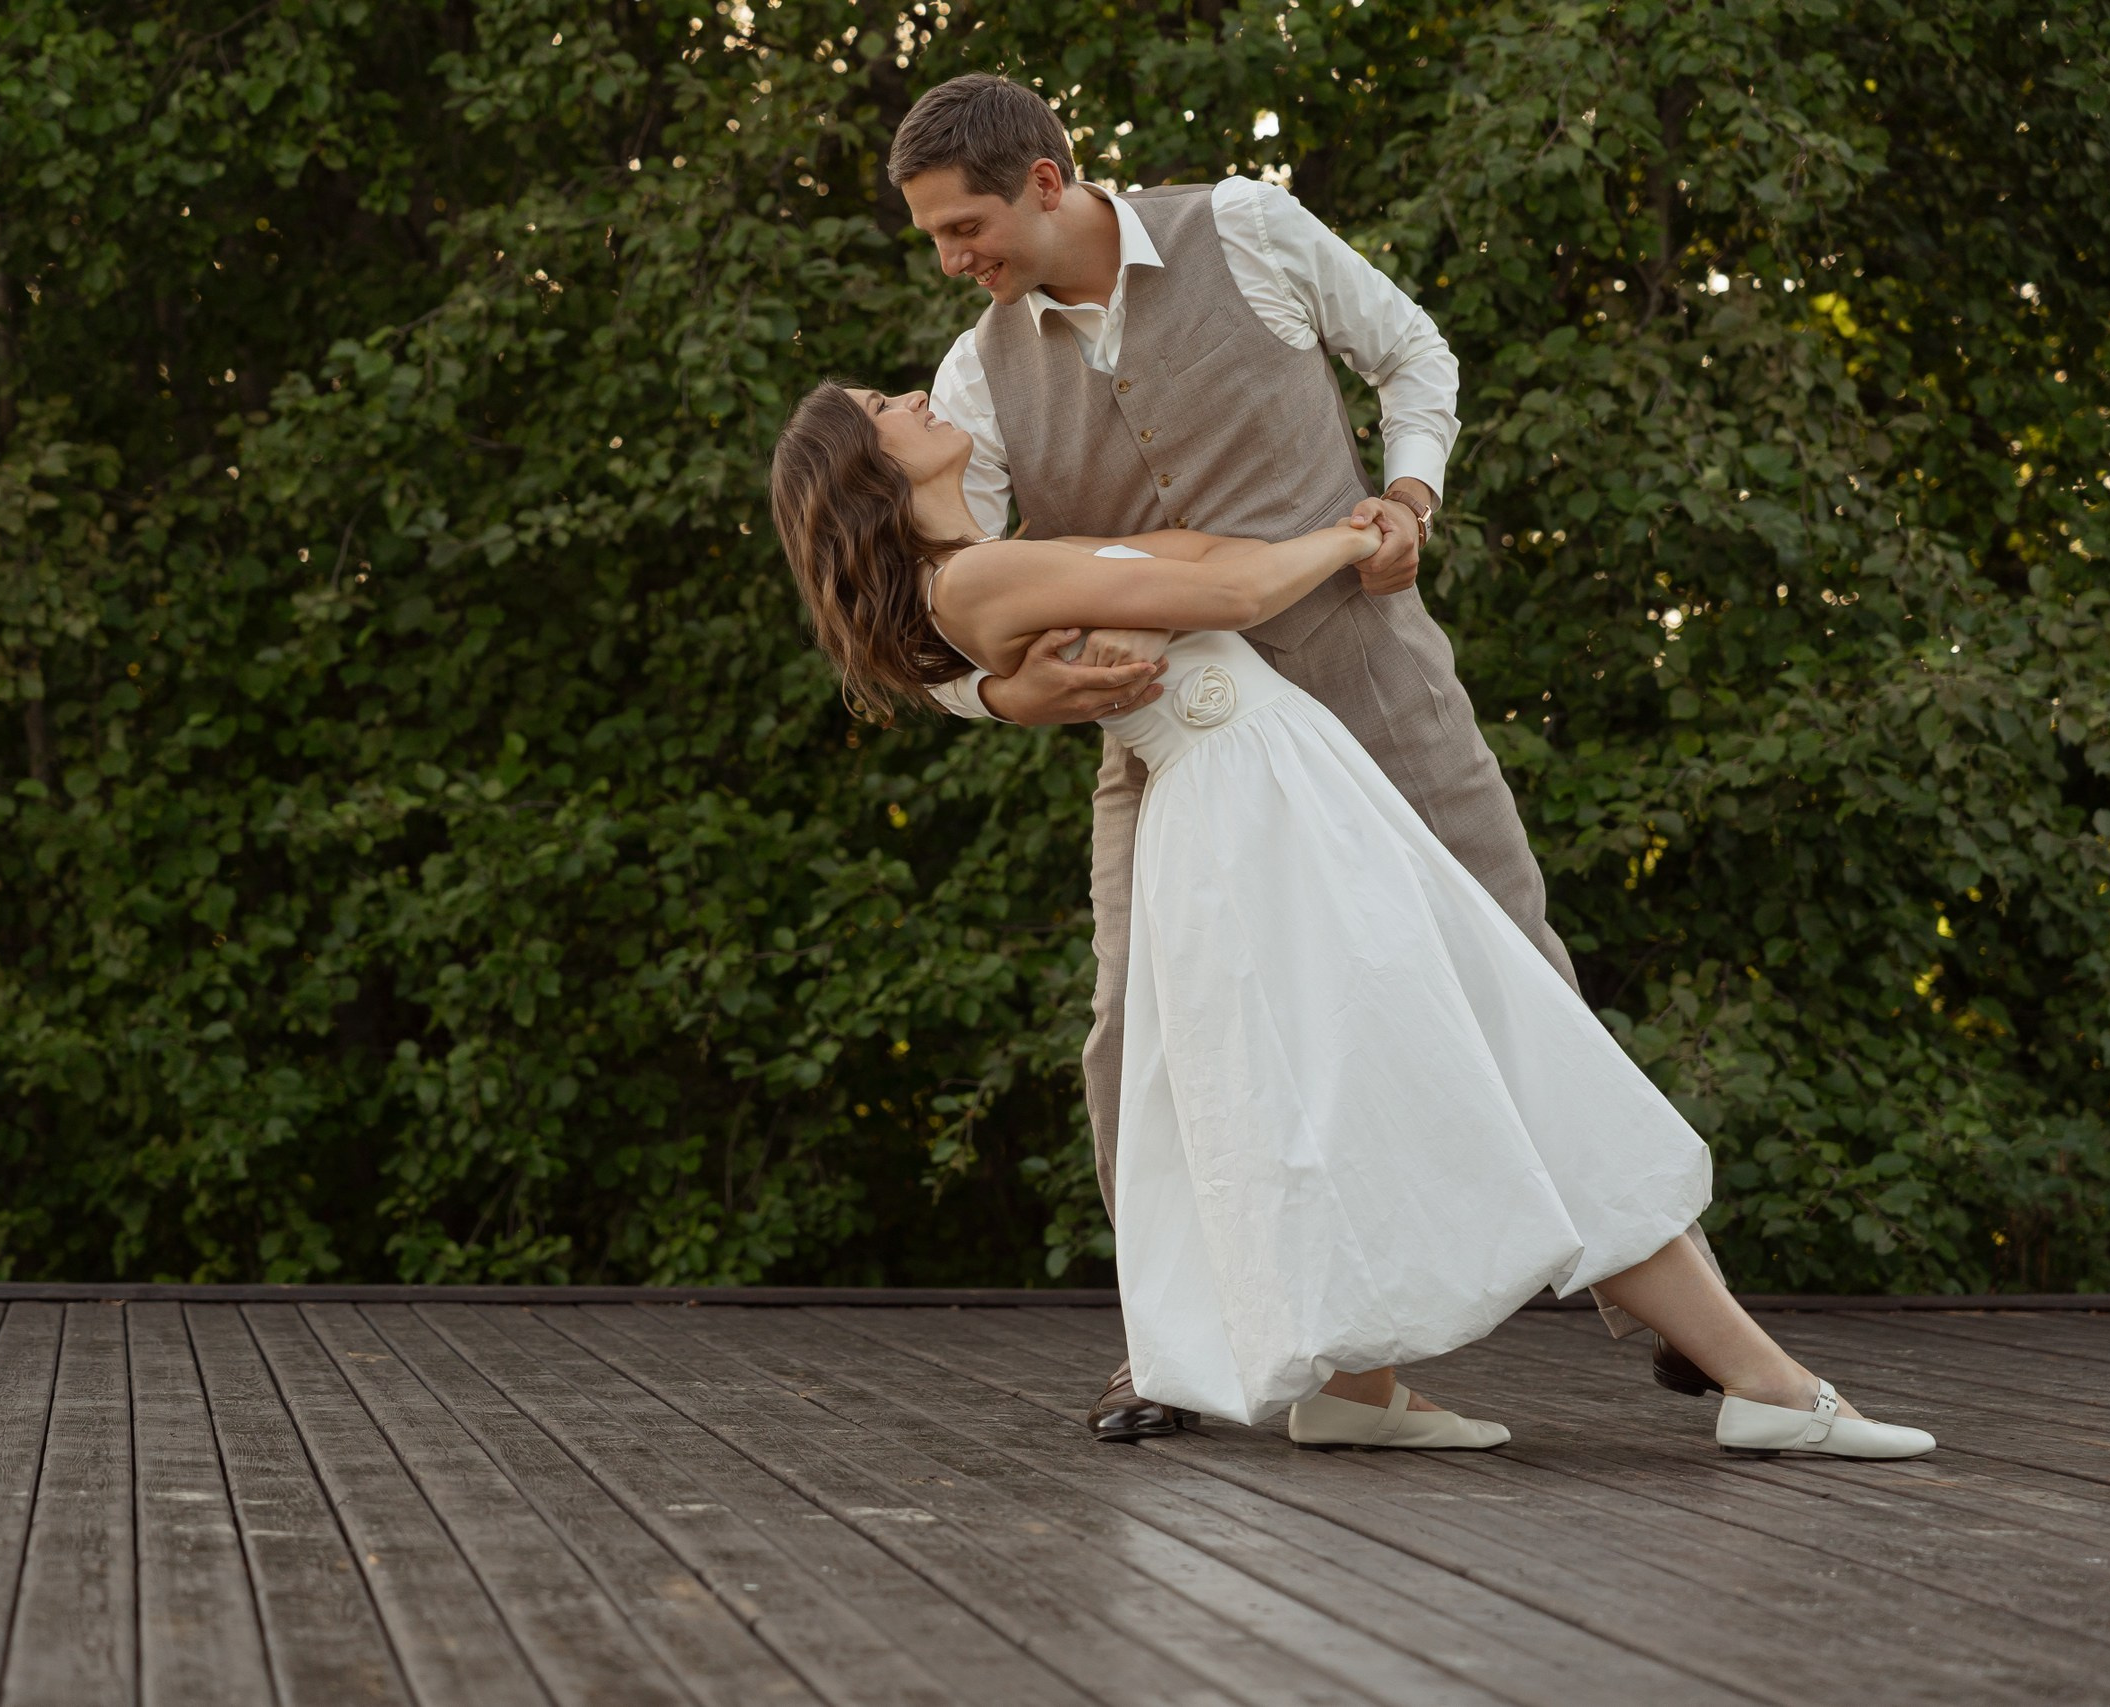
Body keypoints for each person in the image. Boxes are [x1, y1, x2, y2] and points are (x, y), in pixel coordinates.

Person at [768, 377, 1936, 1462]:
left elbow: (1194, 557)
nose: (914, 393)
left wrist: (1169, 586)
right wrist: (1352, 530)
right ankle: (1770, 1393)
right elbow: (1231, 589)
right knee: (1504, 1059)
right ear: (867, 475)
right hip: (1256, 820)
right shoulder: (974, 582)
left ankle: (1357, 1395)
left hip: (1279, 799)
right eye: (883, 406)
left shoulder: (1001, 561)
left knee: (1399, 1071)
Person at [885, 72, 1733, 1442]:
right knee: (1133, 1037)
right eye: (931, 235)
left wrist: (1409, 493)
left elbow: (1414, 354)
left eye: (963, 223)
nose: (950, 258)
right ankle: (1176, 1345)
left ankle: (1668, 1308)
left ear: (1047, 179)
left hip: (1370, 677)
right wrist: (1009, 697)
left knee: (1515, 955)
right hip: (1166, 733)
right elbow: (956, 603)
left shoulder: (1243, 227)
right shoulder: (976, 375)